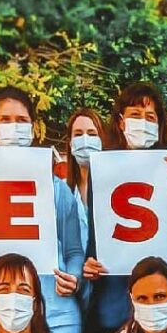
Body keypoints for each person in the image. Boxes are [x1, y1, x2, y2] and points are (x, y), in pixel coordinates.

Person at [0, 86, 85, 333]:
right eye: (5, 119)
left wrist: (74, 277)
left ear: (33, 126)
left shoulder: (57, 188)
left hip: (57, 311)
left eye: (22, 120)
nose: (14, 127)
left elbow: (74, 251)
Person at [83, 82, 167, 333]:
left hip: (160, 311)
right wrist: (90, 265)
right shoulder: (103, 171)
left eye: (150, 117)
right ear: (120, 122)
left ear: (159, 125)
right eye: (134, 114)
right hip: (113, 307)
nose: (142, 122)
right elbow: (96, 241)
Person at [64, 107, 107, 254]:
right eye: (78, 134)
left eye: (92, 134)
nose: (85, 140)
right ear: (70, 143)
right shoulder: (60, 190)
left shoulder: (116, 188)